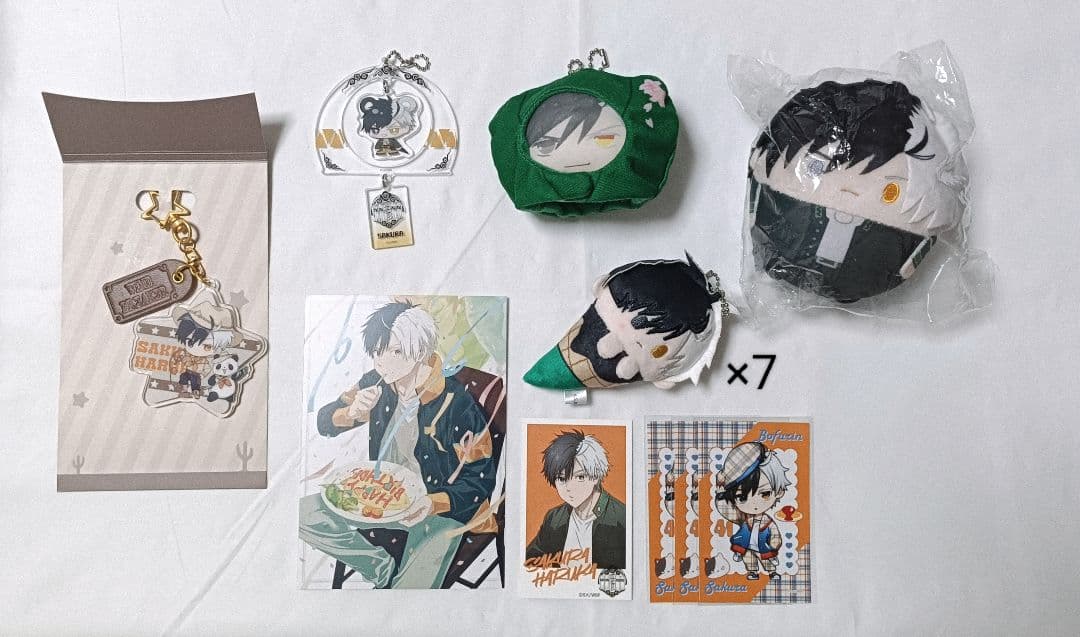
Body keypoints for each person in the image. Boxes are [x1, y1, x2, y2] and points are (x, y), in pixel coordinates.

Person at [316, 302, 495, 526]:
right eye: (377, 351)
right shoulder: (376, 382)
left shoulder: (455, 402)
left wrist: (433, 503)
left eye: (396, 351)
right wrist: (351, 412)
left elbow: (481, 478)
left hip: (443, 517)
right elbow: (323, 422)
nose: (382, 362)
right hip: (382, 501)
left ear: (419, 351)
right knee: (309, 515)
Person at [525, 430, 626, 569]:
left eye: (580, 477)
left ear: (595, 476)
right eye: (561, 479)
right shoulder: (554, 518)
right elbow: (530, 562)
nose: (569, 487)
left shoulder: (621, 518)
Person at [715, 441, 791, 581]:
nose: (754, 504)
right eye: (741, 497)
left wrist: (775, 542)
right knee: (749, 559)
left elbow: (774, 533)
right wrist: (720, 492)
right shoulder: (743, 517)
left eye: (765, 494)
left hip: (763, 546)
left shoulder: (767, 521)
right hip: (747, 546)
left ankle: (772, 572)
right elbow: (726, 510)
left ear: (779, 491)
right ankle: (752, 572)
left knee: (766, 559)